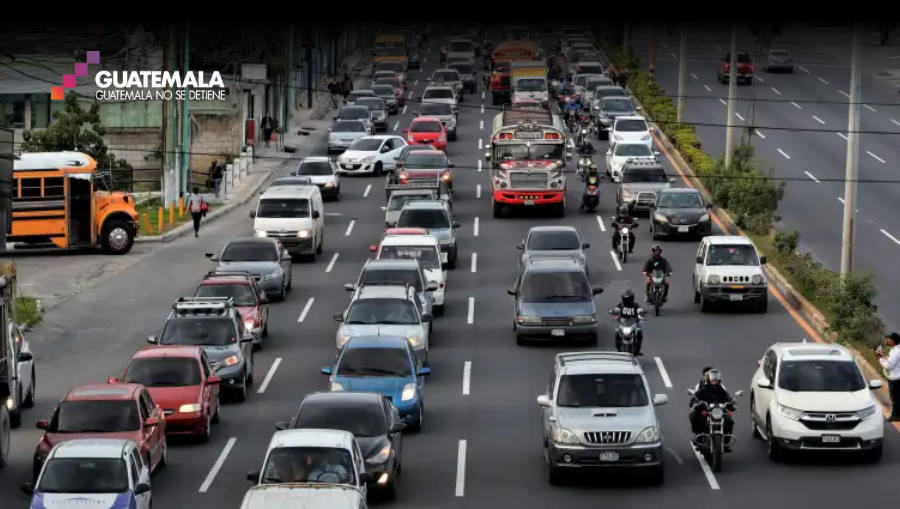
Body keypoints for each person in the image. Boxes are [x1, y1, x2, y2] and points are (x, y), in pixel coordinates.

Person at [689, 368, 735, 450]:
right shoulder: (703, 390)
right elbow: (694, 399)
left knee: (729, 421)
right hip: (706, 411)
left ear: (718, 379)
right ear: (709, 379)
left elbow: (728, 397)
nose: (714, 382)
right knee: (694, 416)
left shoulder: (721, 390)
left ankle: (726, 442)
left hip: (719, 412)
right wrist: (697, 404)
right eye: (712, 380)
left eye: (715, 380)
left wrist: (732, 403)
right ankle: (698, 438)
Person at [611, 289, 645, 355]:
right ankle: (618, 347)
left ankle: (638, 348)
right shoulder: (620, 305)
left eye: (628, 299)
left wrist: (641, 313)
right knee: (617, 332)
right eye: (625, 299)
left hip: (633, 322)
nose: (627, 300)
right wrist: (614, 313)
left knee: (640, 332)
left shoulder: (635, 305)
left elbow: (640, 309)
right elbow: (616, 310)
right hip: (623, 323)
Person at [876, 332, 900, 421]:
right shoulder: (897, 349)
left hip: (895, 379)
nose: (887, 340)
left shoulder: (895, 352)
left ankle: (895, 416)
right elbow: (892, 360)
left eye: (889, 339)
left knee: (895, 398)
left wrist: (880, 359)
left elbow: (889, 366)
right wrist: (884, 356)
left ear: (892, 341)